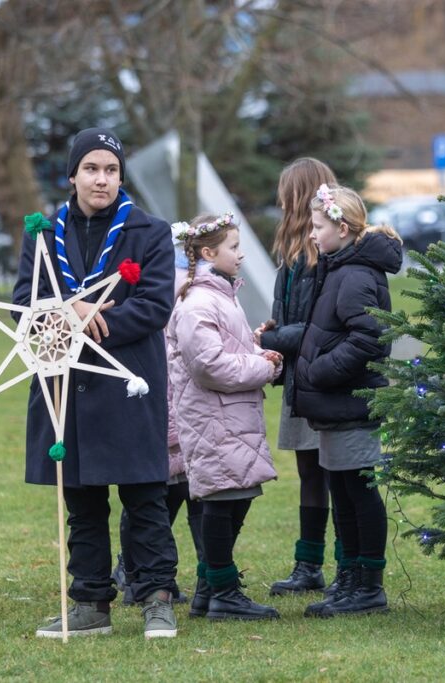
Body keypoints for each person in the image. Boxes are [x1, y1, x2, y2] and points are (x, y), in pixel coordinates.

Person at [13, 127, 178, 639]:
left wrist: (95, 323)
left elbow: (154, 305)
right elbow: (25, 300)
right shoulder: (43, 232)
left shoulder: (149, 231)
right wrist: (68, 312)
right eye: (91, 168)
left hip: (128, 381)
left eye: (110, 169)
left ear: (120, 177)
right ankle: (89, 602)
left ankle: (156, 598)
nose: (101, 179)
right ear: (72, 175)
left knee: (145, 497)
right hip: (65, 382)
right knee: (81, 500)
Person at [293, 184, 402, 618]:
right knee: (342, 490)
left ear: (342, 226)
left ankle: (368, 585)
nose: (312, 235)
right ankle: (350, 576)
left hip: (352, 404)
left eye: (318, 226)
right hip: (337, 407)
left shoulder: (355, 274)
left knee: (358, 492)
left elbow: (369, 339)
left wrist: (320, 372)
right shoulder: (339, 266)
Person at [170, 213, 283, 620]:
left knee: (236, 499)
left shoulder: (221, 296)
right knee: (222, 501)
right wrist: (264, 369)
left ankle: (208, 590)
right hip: (213, 419)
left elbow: (230, 348)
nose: (241, 254)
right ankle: (222, 591)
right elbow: (209, 365)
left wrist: (258, 353)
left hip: (232, 418)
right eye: (234, 247)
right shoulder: (198, 301)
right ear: (207, 252)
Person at [257, 158, 343, 596]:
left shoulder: (326, 256)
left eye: (285, 192)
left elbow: (320, 324)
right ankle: (308, 564)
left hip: (323, 379)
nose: (280, 200)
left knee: (337, 474)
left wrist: (280, 337)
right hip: (299, 380)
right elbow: (290, 316)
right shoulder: (291, 255)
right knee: (310, 474)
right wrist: (270, 333)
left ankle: (348, 566)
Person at [112, 232, 204, 608]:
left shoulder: (188, 296)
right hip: (165, 420)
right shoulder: (168, 296)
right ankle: (134, 572)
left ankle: (140, 572)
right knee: (153, 502)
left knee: (169, 499)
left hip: (180, 423)